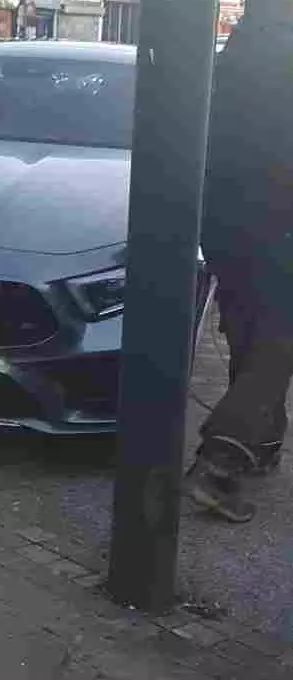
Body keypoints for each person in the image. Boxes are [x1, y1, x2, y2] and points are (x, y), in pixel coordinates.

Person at [186, 0, 293, 522]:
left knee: (252, 331)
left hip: (226, 222)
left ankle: (262, 445)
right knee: (277, 342)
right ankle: (221, 460)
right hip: (278, 221)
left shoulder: (239, 49)